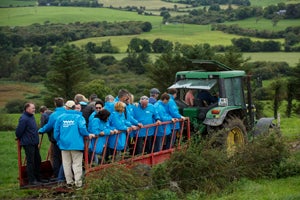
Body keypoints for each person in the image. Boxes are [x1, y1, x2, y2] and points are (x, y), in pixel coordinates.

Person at [54, 100, 95, 189]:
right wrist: (87, 134)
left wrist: (59, 141)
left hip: (64, 144)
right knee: (77, 164)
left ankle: (69, 182)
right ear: (74, 107)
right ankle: (78, 183)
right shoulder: (79, 117)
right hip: (76, 144)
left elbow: (56, 132)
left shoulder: (61, 117)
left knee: (66, 163)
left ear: (67, 108)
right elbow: (82, 129)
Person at [38, 97, 66, 180]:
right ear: (63, 104)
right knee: (66, 157)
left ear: (55, 104)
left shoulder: (54, 115)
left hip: (57, 140)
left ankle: (58, 175)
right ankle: (67, 175)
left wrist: (41, 130)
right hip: (67, 139)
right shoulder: (67, 113)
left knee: (56, 157)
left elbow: (49, 126)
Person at [16, 103, 43, 185]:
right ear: (27, 108)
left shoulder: (31, 117)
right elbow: (18, 132)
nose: (34, 110)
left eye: (34, 108)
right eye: (32, 108)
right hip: (28, 143)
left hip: (34, 142)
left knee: (38, 160)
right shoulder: (24, 118)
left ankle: (38, 178)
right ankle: (32, 180)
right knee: (31, 161)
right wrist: (23, 138)